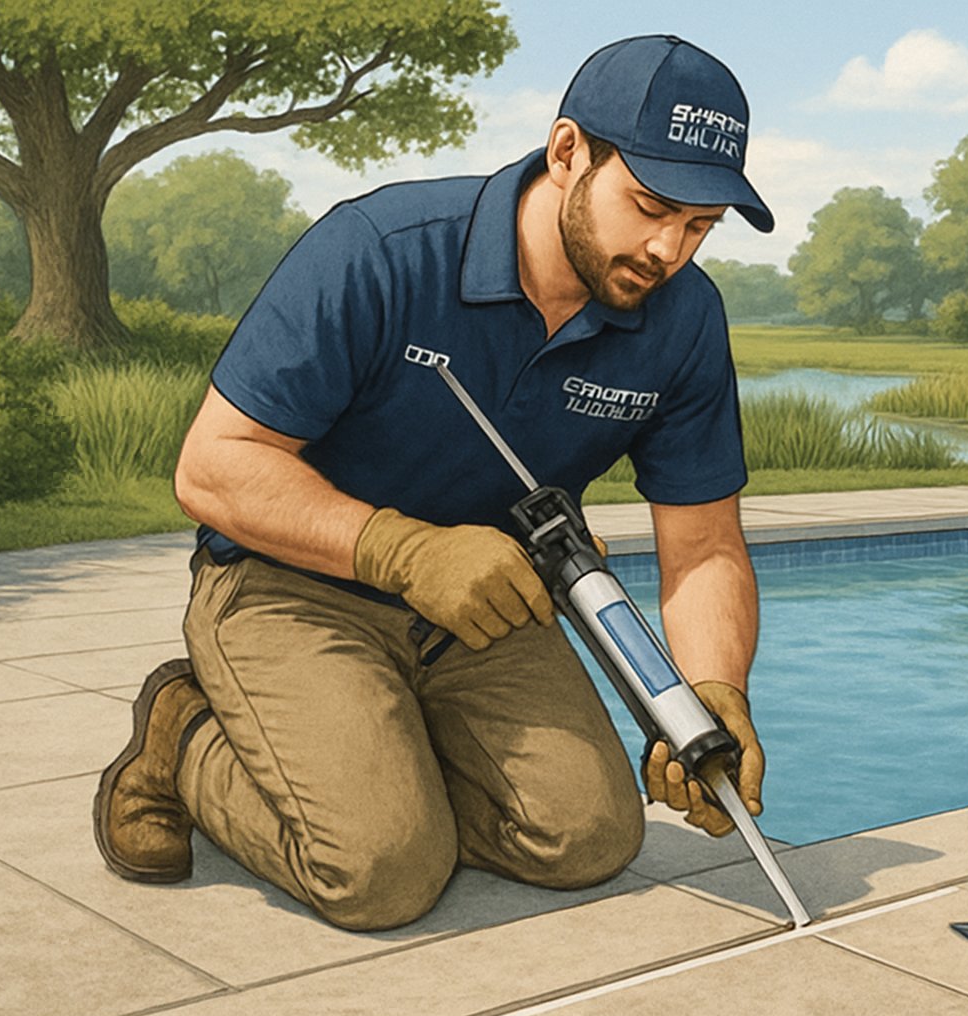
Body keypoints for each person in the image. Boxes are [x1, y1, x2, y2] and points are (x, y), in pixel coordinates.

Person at [92, 35, 775, 931]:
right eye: (650, 207)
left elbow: (705, 542)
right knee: (382, 873)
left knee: (589, 838)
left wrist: (716, 689)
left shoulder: (685, 318)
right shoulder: (379, 250)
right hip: (292, 586)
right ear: (567, 151)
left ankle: (386, 769)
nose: (668, 251)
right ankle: (180, 734)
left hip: (490, 610)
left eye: (700, 227)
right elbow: (214, 466)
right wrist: (403, 551)